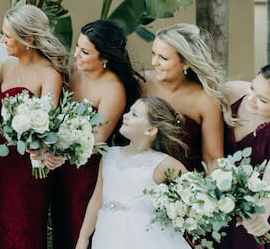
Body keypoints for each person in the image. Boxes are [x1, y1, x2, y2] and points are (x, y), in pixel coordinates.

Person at [51, 19, 144, 248]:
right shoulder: (72, 73)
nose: (76, 55)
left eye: (84, 52)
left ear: (104, 59)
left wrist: (59, 151)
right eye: (77, 48)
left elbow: (96, 140)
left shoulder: (113, 89)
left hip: (88, 175)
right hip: (59, 168)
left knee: (80, 232)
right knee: (60, 229)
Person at [0, 4, 68, 249]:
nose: (2, 40)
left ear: (28, 38)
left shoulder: (50, 75)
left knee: (25, 229)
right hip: (3, 164)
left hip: (30, 167)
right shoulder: (7, 66)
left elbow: (47, 126)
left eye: (8, 35)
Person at [76, 96, 191, 249]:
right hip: (106, 235)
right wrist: (83, 239)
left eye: (134, 114)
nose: (126, 115)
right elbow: (96, 200)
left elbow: (197, 194)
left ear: (150, 130)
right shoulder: (109, 154)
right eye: (129, 111)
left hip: (143, 238)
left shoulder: (163, 164)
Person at [141, 23, 227, 170]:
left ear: (186, 63)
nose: (154, 62)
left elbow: (213, 159)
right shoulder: (142, 83)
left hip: (180, 184)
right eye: (153, 54)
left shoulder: (205, 102)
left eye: (163, 58)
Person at [220, 65, 270, 248]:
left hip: (247, 212)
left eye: (263, 100)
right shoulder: (230, 92)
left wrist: (262, 214)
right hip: (212, 201)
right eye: (252, 88)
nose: (251, 99)